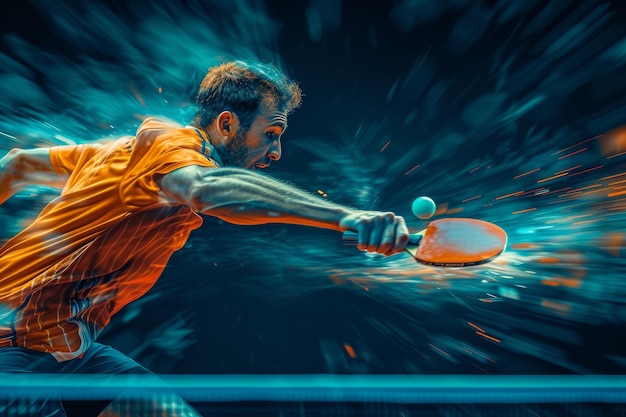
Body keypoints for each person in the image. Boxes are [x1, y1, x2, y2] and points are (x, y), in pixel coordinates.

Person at [0, 60, 409, 416]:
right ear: (226, 123)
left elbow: (17, 166)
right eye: (271, 133)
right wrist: (346, 217)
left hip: (70, 351)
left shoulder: (120, 155)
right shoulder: (171, 143)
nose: (277, 151)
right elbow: (205, 188)